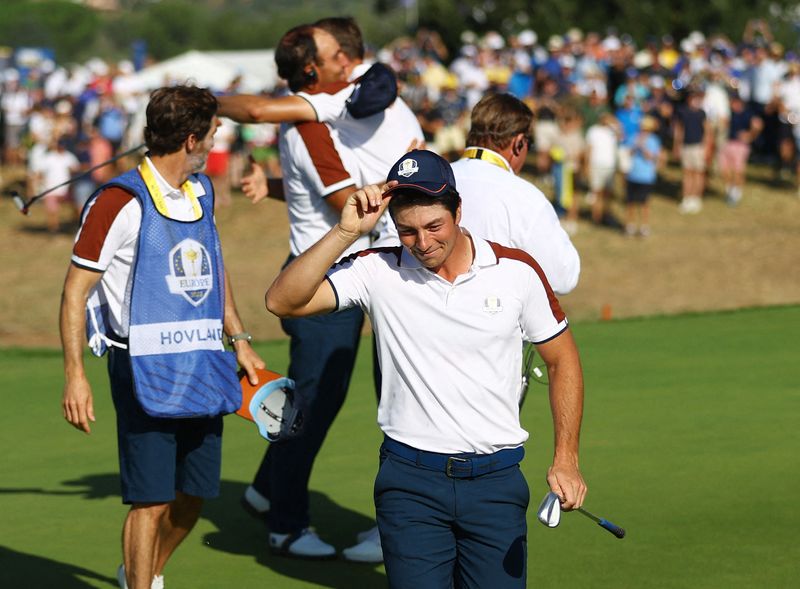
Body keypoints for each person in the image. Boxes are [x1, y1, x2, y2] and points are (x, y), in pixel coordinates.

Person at [264, 149, 587, 588]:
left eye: (435, 226)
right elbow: (282, 300)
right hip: (409, 483)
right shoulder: (377, 268)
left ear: (458, 211)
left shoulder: (516, 271)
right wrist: (344, 232)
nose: (423, 242)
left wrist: (566, 459)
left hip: (496, 482)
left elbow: (562, 358)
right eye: (408, 231)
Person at [218, 18, 423, 562]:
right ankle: (285, 526)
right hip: (322, 279)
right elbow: (343, 207)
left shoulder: (321, 114)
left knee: (317, 399)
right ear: (312, 69)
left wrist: (276, 185)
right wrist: (407, 181)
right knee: (308, 406)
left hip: (329, 272)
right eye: (335, 60)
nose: (347, 67)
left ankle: (265, 492)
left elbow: (315, 186)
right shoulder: (310, 123)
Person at [59, 84, 265, 589]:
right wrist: (75, 376)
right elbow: (73, 293)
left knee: (192, 496)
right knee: (150, 500)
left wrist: (239, 338)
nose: (218, 142)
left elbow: (215, 269)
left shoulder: (203, 191)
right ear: (192, 139)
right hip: (141, 367)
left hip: (202, 360)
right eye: (214, 134)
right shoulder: (115, 202)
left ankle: (143, 574)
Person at [451, 93, 580, 295]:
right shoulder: (525, 196)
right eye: (530, 143)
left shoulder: (436, 178)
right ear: (519, 143)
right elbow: (564, 277)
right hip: (494, 316)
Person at [624, 115, 662, 236]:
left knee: (644, 203)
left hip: (646, 176)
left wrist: (643, 147)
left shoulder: (654, 140)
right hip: (632, 175)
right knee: (631, 202)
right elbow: (628, 153)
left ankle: (644, 226)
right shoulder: (633, 138)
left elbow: (651, 157)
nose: (643, 131)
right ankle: (630, 225)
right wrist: (636, 146)